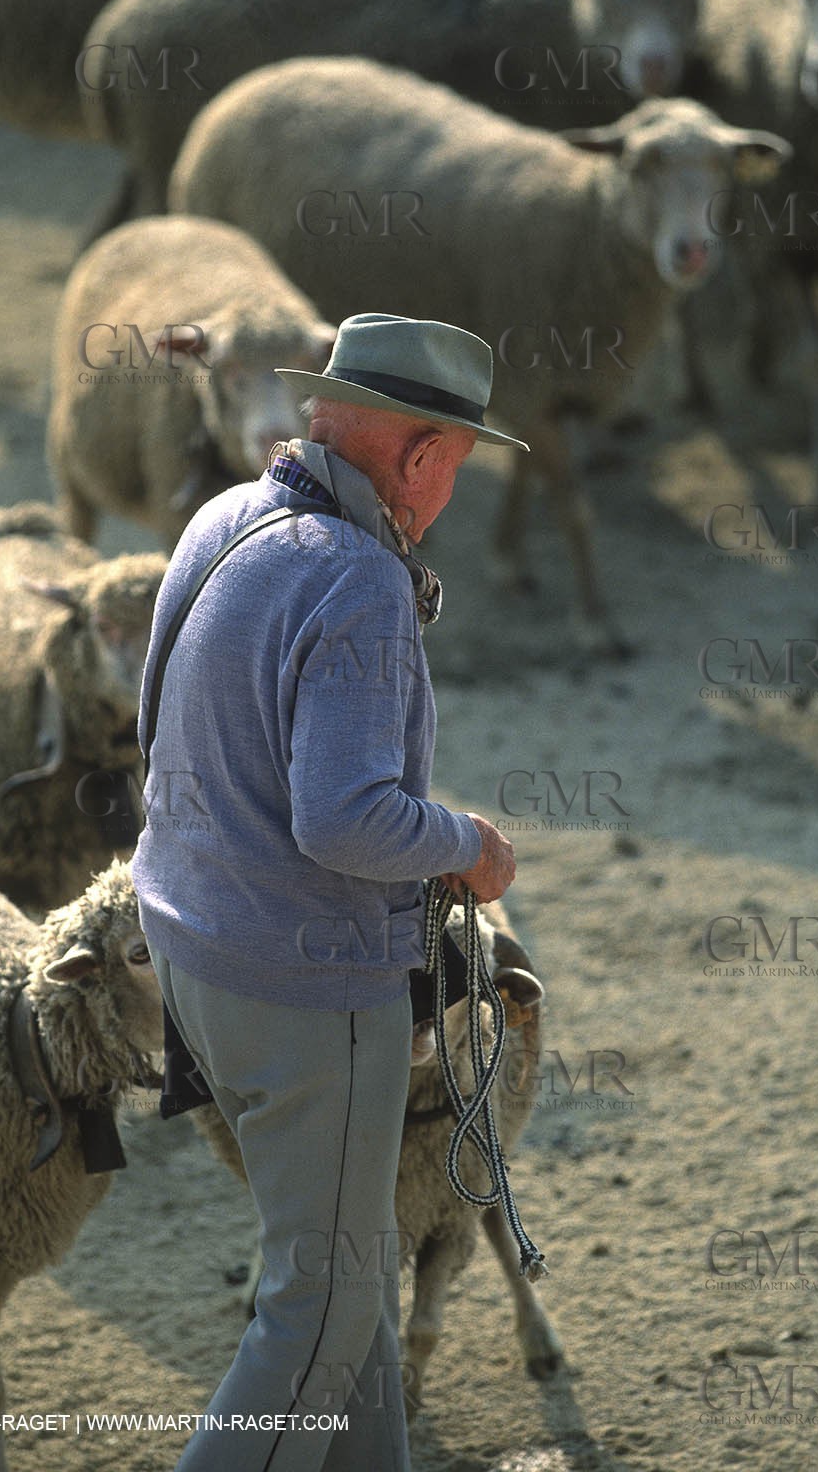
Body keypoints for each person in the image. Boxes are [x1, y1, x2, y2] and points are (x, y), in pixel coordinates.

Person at [130, 311, 528, 1471]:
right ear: (417, 456)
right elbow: (345, 817)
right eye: (455, 461)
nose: (453, 488)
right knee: (313, 1317)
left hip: (196, 952)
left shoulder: (224, 517)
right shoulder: (356, 578)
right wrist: (469, 844)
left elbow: (158, 732)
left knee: (348, 1282)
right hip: (305, 994)